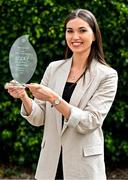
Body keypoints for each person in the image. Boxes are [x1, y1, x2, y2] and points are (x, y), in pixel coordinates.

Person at [6, 9, 118, 180]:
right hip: (49, 164)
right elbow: (39, 118)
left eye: (82, 30)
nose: (75, 37)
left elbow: (90, 122)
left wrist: (53, 98)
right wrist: (24, 96)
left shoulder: (107, 75)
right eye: (69, 31)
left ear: (94, 35)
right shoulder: (53, 68)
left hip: (83, 167)